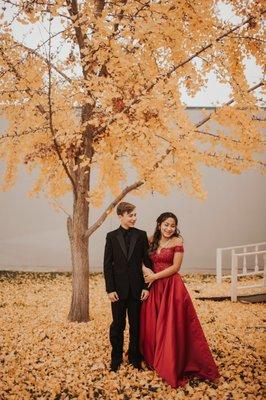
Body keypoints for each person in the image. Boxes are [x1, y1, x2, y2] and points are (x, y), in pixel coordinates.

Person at [140, 212, 220, 388]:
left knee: (172, 325)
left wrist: (155, 276)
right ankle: (154, 358)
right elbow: (140, 259)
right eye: (166, 224)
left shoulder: (178, 241)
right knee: (153, 323)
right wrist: (146, 271)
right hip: (154, 288)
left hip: (171, 287)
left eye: (172, 225)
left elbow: (176, 267)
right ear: (159, 223)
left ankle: (172, 361)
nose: (169, 228)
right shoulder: (150, 238)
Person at [103, 201, 152, 372]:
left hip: (138, 290)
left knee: (136, 325)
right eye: (131, 215)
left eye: (135, 215)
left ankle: (134, 358)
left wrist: (147, 287)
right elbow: (107, 265)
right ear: (120, 216)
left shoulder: (141, 235)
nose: (134, 218)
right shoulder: (111, 236)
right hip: (117, 291)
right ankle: (116, 358)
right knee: (117, 325)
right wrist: (110, 289)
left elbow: (147, 263)